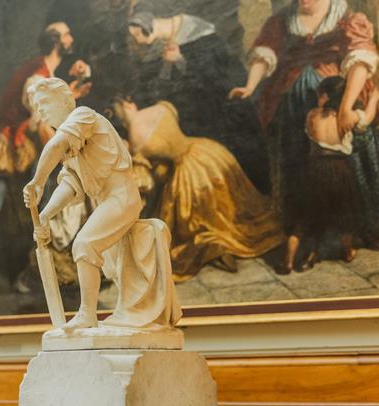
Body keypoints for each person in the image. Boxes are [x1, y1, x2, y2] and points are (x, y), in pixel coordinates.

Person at [229, 0, 379, 263]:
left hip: (335, 91)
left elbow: (359, 61)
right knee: (300, 166)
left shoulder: (345, 18)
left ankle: (358, 228)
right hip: (292, 101)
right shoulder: (282, 20)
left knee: (352, 160)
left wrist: (345, 106)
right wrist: (250, 85)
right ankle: (304, 231)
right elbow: (266, 52)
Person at [23, 78, 180, 333]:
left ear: (64, 101)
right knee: (96, 253)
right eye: (37, 107)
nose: (40, 112)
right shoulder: (71, 146)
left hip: (121, 198)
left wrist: (38, 181)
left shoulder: (83, 117)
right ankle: (93, 314)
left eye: (43, 104)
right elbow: (71, 186)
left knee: (85, 243)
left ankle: (87, 314)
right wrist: (44, 215)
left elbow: (55, 144)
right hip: (106, 202)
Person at [112, 98, 284, 280]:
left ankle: (215, 246)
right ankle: (219, 246)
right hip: (206, 153)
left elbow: (147, 178)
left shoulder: (134, 140)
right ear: (129, 103)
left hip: (185, 175)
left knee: (197, 220)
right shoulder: (161, 107)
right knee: (226, 209)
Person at [0, 22, 91, 300]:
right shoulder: (36, 76)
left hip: (30, 146)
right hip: (11, 148)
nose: (71, 38)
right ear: (55, 41)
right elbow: (41, 126)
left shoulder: (49, 73)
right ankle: (31, 270)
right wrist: (67, 157)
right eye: (66, 34)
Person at [126, 11, 269, 193]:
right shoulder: (164, 43)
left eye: (137, 35)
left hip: (222, 114)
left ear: (148, 27)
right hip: (195, 117)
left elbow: (215, 81)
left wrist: (180, 60)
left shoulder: (203, 37)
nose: (136, 42)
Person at [285, 76, 379, 272]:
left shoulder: (311, 115)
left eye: (320, 94)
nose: (318, 98)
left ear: (326, 96)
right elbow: (369, 116)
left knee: (303, 219)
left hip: (314, 170)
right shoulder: (349, 117)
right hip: (341, 170)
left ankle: (287, 262)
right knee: (346, 214)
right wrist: (374, 98)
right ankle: (348, 251)